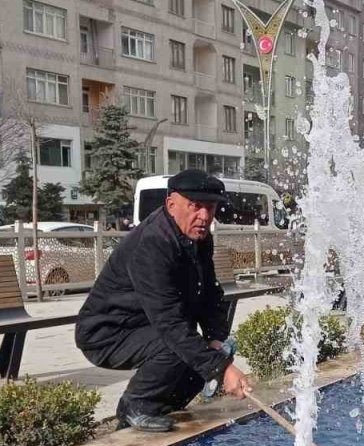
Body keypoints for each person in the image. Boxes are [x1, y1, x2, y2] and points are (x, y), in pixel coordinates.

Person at [75, 169, 252, 432]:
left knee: (202, 355)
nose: (204, 217)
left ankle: (161, 409)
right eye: (195, 206)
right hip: (108, 332)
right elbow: (169, 323)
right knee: (177, 344)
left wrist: (216, 341)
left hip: (146, 325)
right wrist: (222, 369)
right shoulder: (152, 243)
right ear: (171, 204)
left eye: (210, 208)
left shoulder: (199, 238)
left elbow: (210, 294)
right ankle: (134, 407)